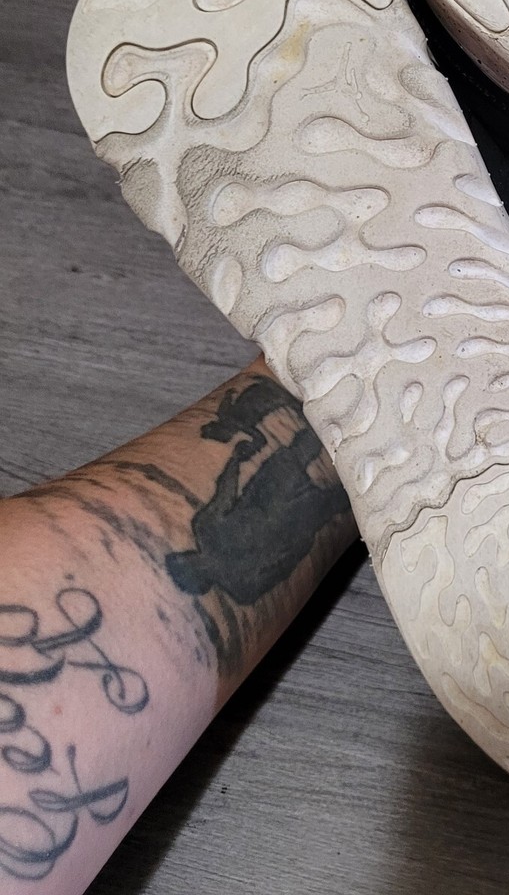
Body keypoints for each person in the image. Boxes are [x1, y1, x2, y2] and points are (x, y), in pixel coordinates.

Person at [0, 357, 356, 895]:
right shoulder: (224, 562)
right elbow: (270, 537)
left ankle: (338, 410)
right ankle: (342, 409)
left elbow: (238, 501)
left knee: (318, 451)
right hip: (297, 484)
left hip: (291, 483)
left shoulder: (217, 549)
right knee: (322, 448)